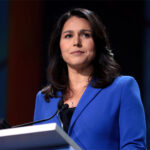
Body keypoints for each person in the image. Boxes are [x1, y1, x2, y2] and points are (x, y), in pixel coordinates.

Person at [34, 8, 147, 149]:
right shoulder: (44, 98)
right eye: (68, 36)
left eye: (85, 35)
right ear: (59, 45)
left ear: (97, 43)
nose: (76, 42)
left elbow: (134, 146)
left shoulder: (122, 88)